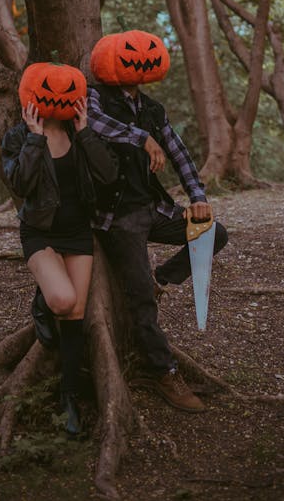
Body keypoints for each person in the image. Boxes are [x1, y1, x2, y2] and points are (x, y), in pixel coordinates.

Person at [87, 31, 228, 413]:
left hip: (153, 209)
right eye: (130, 54)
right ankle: (162, 371)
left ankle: (161, 280)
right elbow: (94, 125)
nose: (140, 59)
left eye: (146, 53)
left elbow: (178, 152)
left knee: (212, 232)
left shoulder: (153, 108)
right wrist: (140, 137)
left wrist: (197, 198)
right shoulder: (92, 98)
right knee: (141, 305)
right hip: (117, 218)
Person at [1, 63, 118, 435]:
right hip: (40, 234)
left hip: (78, 233)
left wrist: (85, 134)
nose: (59, 93)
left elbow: (108, 175)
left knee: (76, 315)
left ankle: (68, 399)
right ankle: (43, 299)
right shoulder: (18, 137)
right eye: (50, 88)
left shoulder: (78, 131)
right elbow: (21, 183)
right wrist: (35, 138)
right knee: (63, 300)